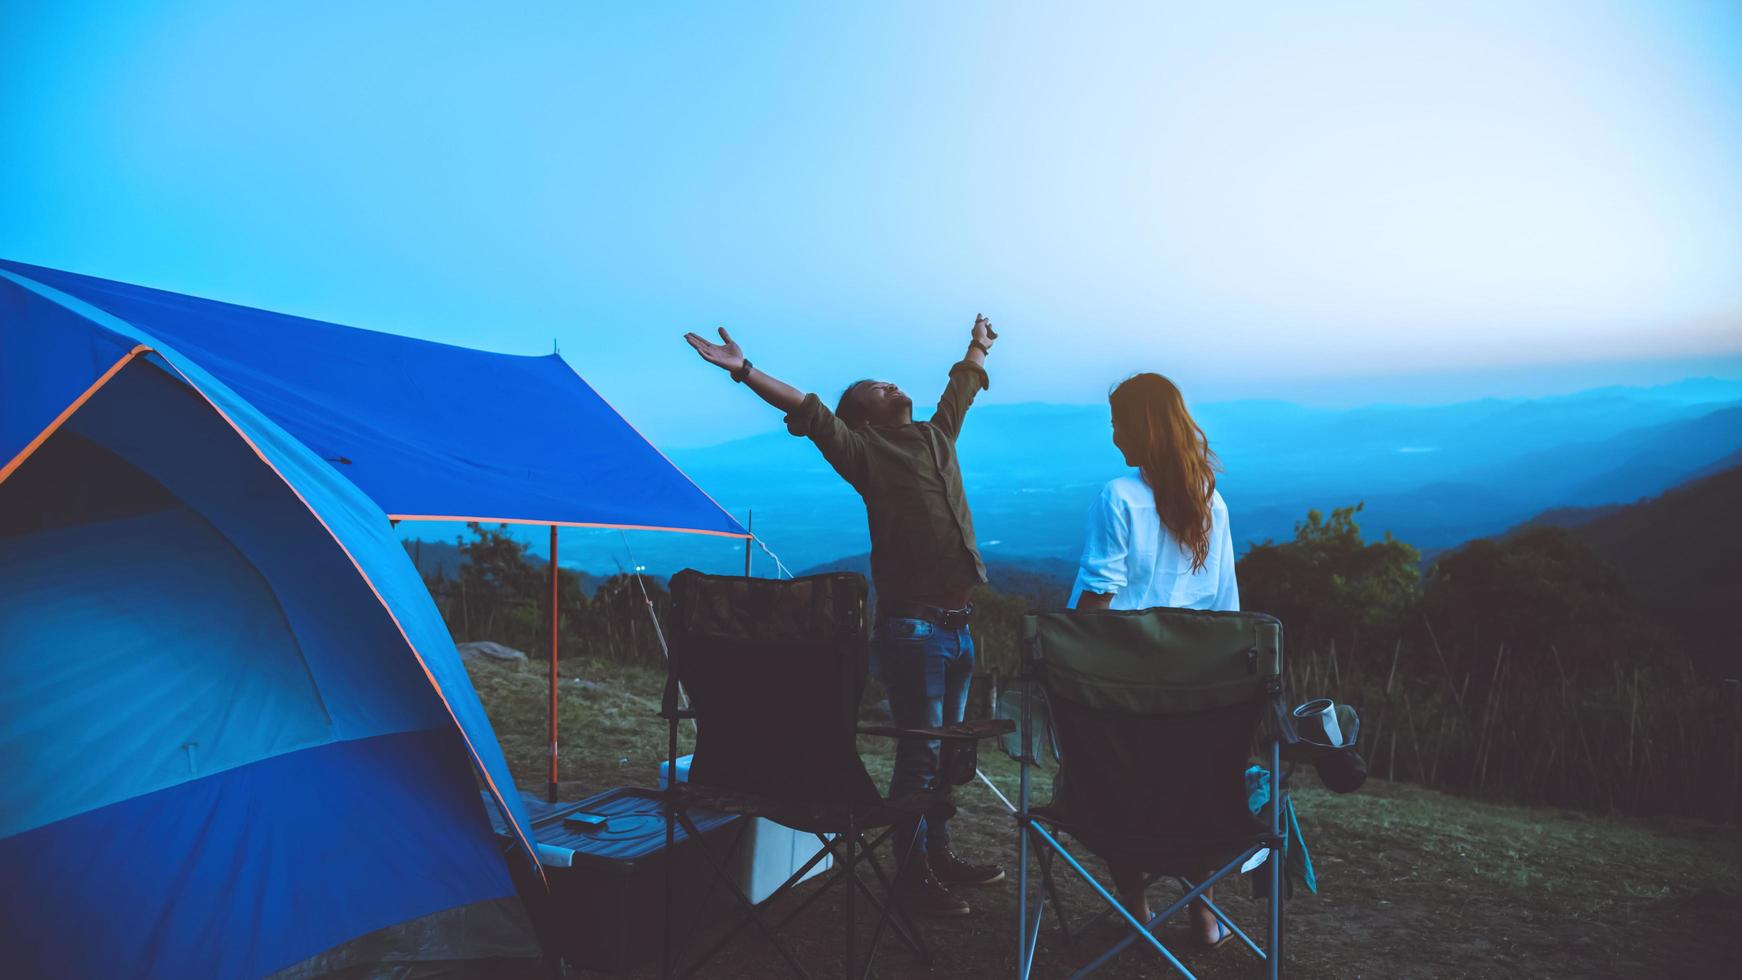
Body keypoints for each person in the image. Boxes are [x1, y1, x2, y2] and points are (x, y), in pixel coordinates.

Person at [683, 314, 1005, 917]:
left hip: (960, 626)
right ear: (861, 417)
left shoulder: (937, 435)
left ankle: (936, 855)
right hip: (914, 630)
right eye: (876, 388)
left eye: (888, 380)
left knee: (947, 754)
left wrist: (977, 346)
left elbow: (962, 385)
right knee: (921, 754)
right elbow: (808, 405)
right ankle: (912, 880)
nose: (890, 385)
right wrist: (744, 370)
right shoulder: (861, 450)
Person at [1070, 371, 1239, 948]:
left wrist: (1058, 654)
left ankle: (1136, 909)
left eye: (1118, 424)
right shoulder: (1212, 502)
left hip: (1120, 693)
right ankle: (1204, 914)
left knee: (1118, 788)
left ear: (1140, 426)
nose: (1115, 438)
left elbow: (1097, 599)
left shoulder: (1119, 497)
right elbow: (1225, 610)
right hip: (1195, 699)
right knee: (1190, 791)